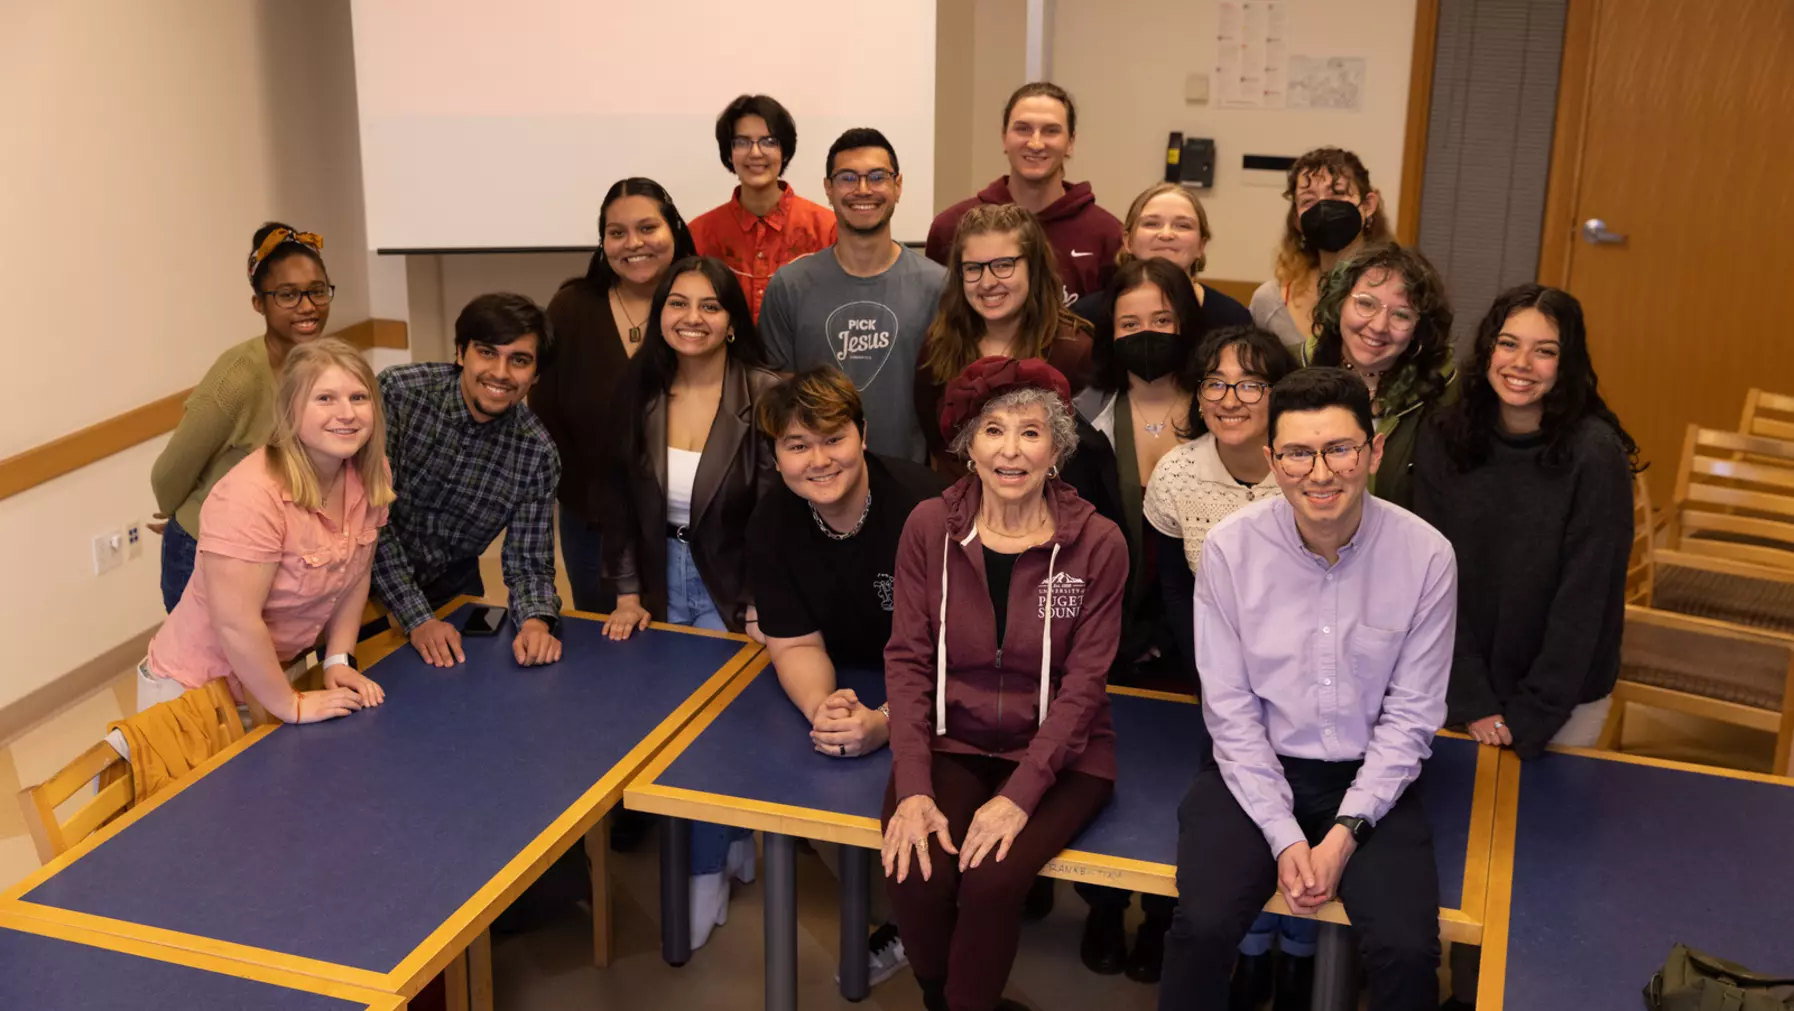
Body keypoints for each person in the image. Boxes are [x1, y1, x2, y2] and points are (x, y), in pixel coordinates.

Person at [1159, 368, 1456, 1011]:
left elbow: (1411, 717)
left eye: (1340, 449)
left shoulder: (1427, 556)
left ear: (1372, 452)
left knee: (1407, 951)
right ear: (1273, 460)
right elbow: (1230, 711)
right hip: (1255, 767)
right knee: (1200, 927)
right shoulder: (1230, 551)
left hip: (1372, 772)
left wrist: (1345, 829)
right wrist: (1285, 834)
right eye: (1297, 453)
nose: (1320, 474)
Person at [1413, 285, 1637, 1011]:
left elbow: (1588, 596)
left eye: (1545, 351)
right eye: (1510, 343)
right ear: (1486, 351)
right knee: (1454, 860)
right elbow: (1429, 576)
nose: (1523, 363)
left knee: (1540, 873)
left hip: (1561, 697)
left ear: (1567, 365)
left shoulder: (1596, 453)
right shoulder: (1447, 436)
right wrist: (1473, 698)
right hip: (1459, 687)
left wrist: (1532, 713)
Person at [882, 356, 1125, 1011]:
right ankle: (942, 995)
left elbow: (1084, 686)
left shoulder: (1099, 544)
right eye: (992, 429)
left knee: (989, 881)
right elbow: (906, 661)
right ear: (966, 446)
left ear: (1058, 447)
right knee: (918, 868)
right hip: (951, 737)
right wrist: (912, 785)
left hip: (1065, 755)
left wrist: (1020, 794)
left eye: (1030, 431)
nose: (1010, 449)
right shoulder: (927, 529)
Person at [596, 255, 780, 949]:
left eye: (710, 306)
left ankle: (704, 870)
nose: (692, 318)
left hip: (732, 584)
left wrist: (765, 601)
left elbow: (777, 512)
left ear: (733, 321)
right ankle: (730, 840)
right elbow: (616, 498)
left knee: (705, 738)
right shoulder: (639, 390)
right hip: (657, 576)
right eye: (678, 304)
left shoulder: (767, 392)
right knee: (671, 736)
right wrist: (624, 588)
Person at [746, 366, 946, 985]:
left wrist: (887, 722)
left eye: (833, 437)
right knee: (818, 775)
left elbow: (965, 651)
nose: (819, 460)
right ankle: (909, 918)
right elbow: (796, 641)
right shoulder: (772, 522)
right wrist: (825, 708)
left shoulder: (928, 508)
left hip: (946, 680)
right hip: (851, 672)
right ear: (777, 456)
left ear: (862, 434)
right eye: (797, 445)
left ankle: (930, 928)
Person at [1139, 326, 1313, 1006]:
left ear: (1277, 394)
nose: (1230, 396)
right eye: (1215, 381)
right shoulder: (1178, 473)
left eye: (1250, 382)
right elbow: (1173, 591)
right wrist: (1216, 678)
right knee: (1241, 824)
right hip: (1223, 689)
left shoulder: (1308, 465)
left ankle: (1296, 952)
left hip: (1310, 686)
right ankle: (1251, 949)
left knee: (1306, 817)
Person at [1058, 256, 1200, 983]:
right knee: (1108, 771)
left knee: (1183, 779)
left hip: (1200, 643)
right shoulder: (1082, 414)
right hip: (1103, 637)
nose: (1148, 335)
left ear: (1188, 325)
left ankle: (1166, 919)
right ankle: (1106, 906)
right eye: (1131, 323)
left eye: (1163, 321)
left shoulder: (1219, 408)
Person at [140, 337, 390, 722]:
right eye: (324, 399)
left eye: (359, 397)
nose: (347, 413)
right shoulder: (250, 496)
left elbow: (354, 574)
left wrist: (339, 658)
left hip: (269, 679)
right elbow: (237, 624)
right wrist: (289, 704)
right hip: (197, 696)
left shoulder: (371, 473)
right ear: (290, 409)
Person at [372, 294, 564, 669]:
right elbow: (369, 518)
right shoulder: (398, 393)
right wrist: (418, 618)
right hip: (362, 586)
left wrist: (536, 623)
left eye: (520, 360)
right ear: (461, 353)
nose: (501, 373)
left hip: (451, 588)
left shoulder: (538, 454)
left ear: (536, 375)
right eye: (487, 353)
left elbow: (529, 562)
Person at [151, 223, 335, 612]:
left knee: (274, 662)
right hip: (209, 550)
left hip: (280, 547)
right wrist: (184, 515)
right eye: (288, 295)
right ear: (259, 304)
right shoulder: (237, 376)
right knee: (211, 671)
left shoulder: (328, 365)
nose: (308, 306)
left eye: (317, 291)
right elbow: (169, 472)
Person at [533, 178, 696, 615]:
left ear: (674, 229)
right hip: (593, 522)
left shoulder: (700, 304)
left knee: (687, 652)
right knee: (606, 652)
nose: (633, 243)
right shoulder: (571, 308)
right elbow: (546, 415)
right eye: (617, 232)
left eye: (648, 228)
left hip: (686, 523)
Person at [760, 127, 947, 464]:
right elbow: (779, 403)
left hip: (911, 481)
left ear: (898, 186)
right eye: (848, 178)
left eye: (877, 177)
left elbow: (945, 399)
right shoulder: (789, 286)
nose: (863, 190)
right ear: (828, 189)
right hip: (818, 479)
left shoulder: (938, 285)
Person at [915, 203, 1094, 471]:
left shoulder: (1074, 351)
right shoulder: (941, 345)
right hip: (957, 504)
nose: (987, 282)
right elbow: (936, 444)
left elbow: (1085, 461)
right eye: (973, 268)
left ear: (1033, 267)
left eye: (1003, 265)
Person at [926, 82, 1122, 303]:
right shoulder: (952, 227)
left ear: (1071, 142)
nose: (1036, 143)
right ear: (1004, 137)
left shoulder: (1108, 236)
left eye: (1051, 131)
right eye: (1023, 129)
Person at [1301, 243, 1456, 510]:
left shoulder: (1447, 395)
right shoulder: (1291, 368)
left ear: (1420, 328)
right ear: (1339, 302)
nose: (1378, 326)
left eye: (1401, 315)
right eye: (1365, 304)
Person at [689, 94, 837, 320]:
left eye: (769, 141)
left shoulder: (827, 229)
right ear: (729, 154)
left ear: (785, 151)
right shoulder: (700, 234)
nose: (755, 153)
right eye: (742, 142)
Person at [1250, 148, 1392, 352]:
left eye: (1338, 194)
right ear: (1297, 220)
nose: (1324, 207)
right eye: (1308, 200)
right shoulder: (1269, 301)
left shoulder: (1399, 294)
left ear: (1368, 204)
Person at [1072, 182, 1253, 340]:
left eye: (1183, 225)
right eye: (1151, 224)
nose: (1166, 234)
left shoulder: (1234, 319)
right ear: (1128, 241)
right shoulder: (1086, 316)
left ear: (1201, 245)